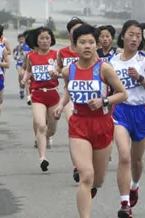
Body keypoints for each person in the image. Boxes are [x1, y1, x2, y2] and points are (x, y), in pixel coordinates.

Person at [51, 23, 127, 218]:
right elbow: (69, 89)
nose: (87, 46)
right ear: (75, 45)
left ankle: (92, 188)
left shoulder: (104, 69)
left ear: (96, 45)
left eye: (91, 42)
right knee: (86, 176)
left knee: (98, 180)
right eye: (82, 42)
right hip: (79, 124)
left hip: (102, 123)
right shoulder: (68, 70)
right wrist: (61, 104)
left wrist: (104, 101)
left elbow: (122, 94)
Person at [109, 20, 145, 216]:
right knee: (124, 156)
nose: (135, 39)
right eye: (131, 34)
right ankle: (124, 204)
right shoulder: (112, 61)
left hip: (141, 112)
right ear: (123, 36)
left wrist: (140, 78)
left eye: (138, 35)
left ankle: (134, 186)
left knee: (136, 160)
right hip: (120, 111)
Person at [22, 26, 60, 171]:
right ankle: (43, 158)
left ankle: (48, 137)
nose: (44, 41)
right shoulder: (31, 56)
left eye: (47, 38)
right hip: (37, 94)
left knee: (52, 128)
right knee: (41, 125)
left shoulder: (56, 55)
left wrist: (57, 74)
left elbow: (63, 71)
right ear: (36, 41)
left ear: (51, 40)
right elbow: (28, 70)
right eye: (42, 38)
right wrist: (24, 79)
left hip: (53, 94)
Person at [58, 17, 86, 182]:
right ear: (69, 33)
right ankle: (77, 165)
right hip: (70, 94)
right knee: (73, 125)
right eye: (74, 30)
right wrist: (56, 72)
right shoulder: (62, 52)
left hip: (89, 95)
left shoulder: (89, 49)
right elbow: (59, 69)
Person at [14, 32, 31, 102]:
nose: (21, 40)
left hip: (27, 64)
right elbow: (16, 58)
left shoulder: (29, 47)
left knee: (26, 78)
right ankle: (21, 88)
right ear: (18, 40)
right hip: (20, 64)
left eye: (22, 39)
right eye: (20, 39)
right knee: (20, 74)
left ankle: (28, 94)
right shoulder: (17, 47)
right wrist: (19, 52)